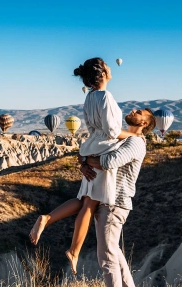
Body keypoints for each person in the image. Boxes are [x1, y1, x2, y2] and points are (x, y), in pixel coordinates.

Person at [29, 109, 155, 287]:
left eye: (140, 112)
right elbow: (96, 148)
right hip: (104, 197)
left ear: (145, 122)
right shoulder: (123, 137)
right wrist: (83, 161)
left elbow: (109, 161)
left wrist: (86, 160)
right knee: (113, 250)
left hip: (114, 203)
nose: (133, 110)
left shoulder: (136, 143)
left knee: (106, 254)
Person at [30, 58, 141, 275]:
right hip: (105, 150)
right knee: (90, 204)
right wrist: (135, 137)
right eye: (108, 67)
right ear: (103, 73)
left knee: (83, 200)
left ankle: (47, 218)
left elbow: (93, 128)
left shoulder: (90, 97)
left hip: (92, 146)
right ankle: (74, 250)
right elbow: (111, 131)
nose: (110, 69)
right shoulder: (106, 97)